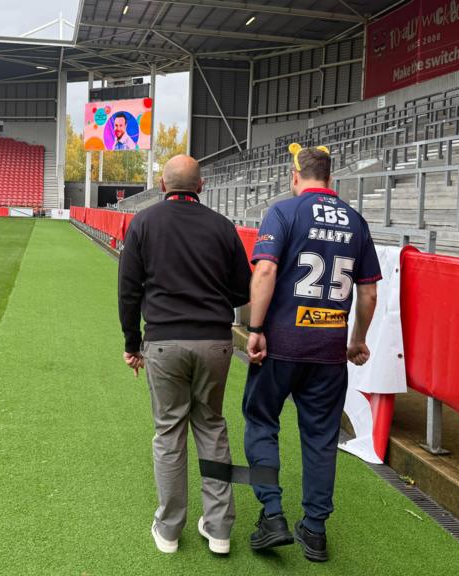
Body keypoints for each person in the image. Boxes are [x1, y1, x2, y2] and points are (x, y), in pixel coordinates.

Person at [242, 144, 380, 563]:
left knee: (261, 421)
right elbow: (369, 291)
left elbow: (264, 269)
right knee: (321, 439)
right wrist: (356, 339)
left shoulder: (284, 212)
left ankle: (272, 515)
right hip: (328, 349)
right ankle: (315, 530)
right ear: (330, 177)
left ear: (294, 174)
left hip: (281, 343)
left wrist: (255, 328)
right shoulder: (356, 221)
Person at [118, 155, 252, 556]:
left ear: (162, 184)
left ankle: (170, 529)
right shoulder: (222, 226)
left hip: (163, 341)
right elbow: (242, 290)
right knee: (211, 427)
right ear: (202, 185)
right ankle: (219, 529)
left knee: (169, 432)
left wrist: (131, 343)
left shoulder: (143, 222)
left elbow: (128, 290)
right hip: (214, 341)